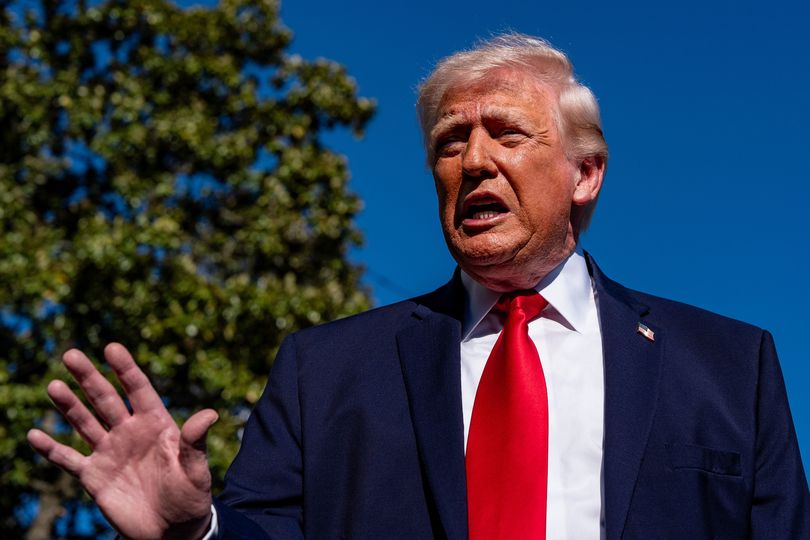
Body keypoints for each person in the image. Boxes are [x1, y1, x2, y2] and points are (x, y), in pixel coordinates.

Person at [28, 33, 809, 539]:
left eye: (506, 132)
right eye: (449, 143)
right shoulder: (324, 372)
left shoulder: (729, 366)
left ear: (585, 172)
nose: (472, 161)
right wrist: (194, 533)